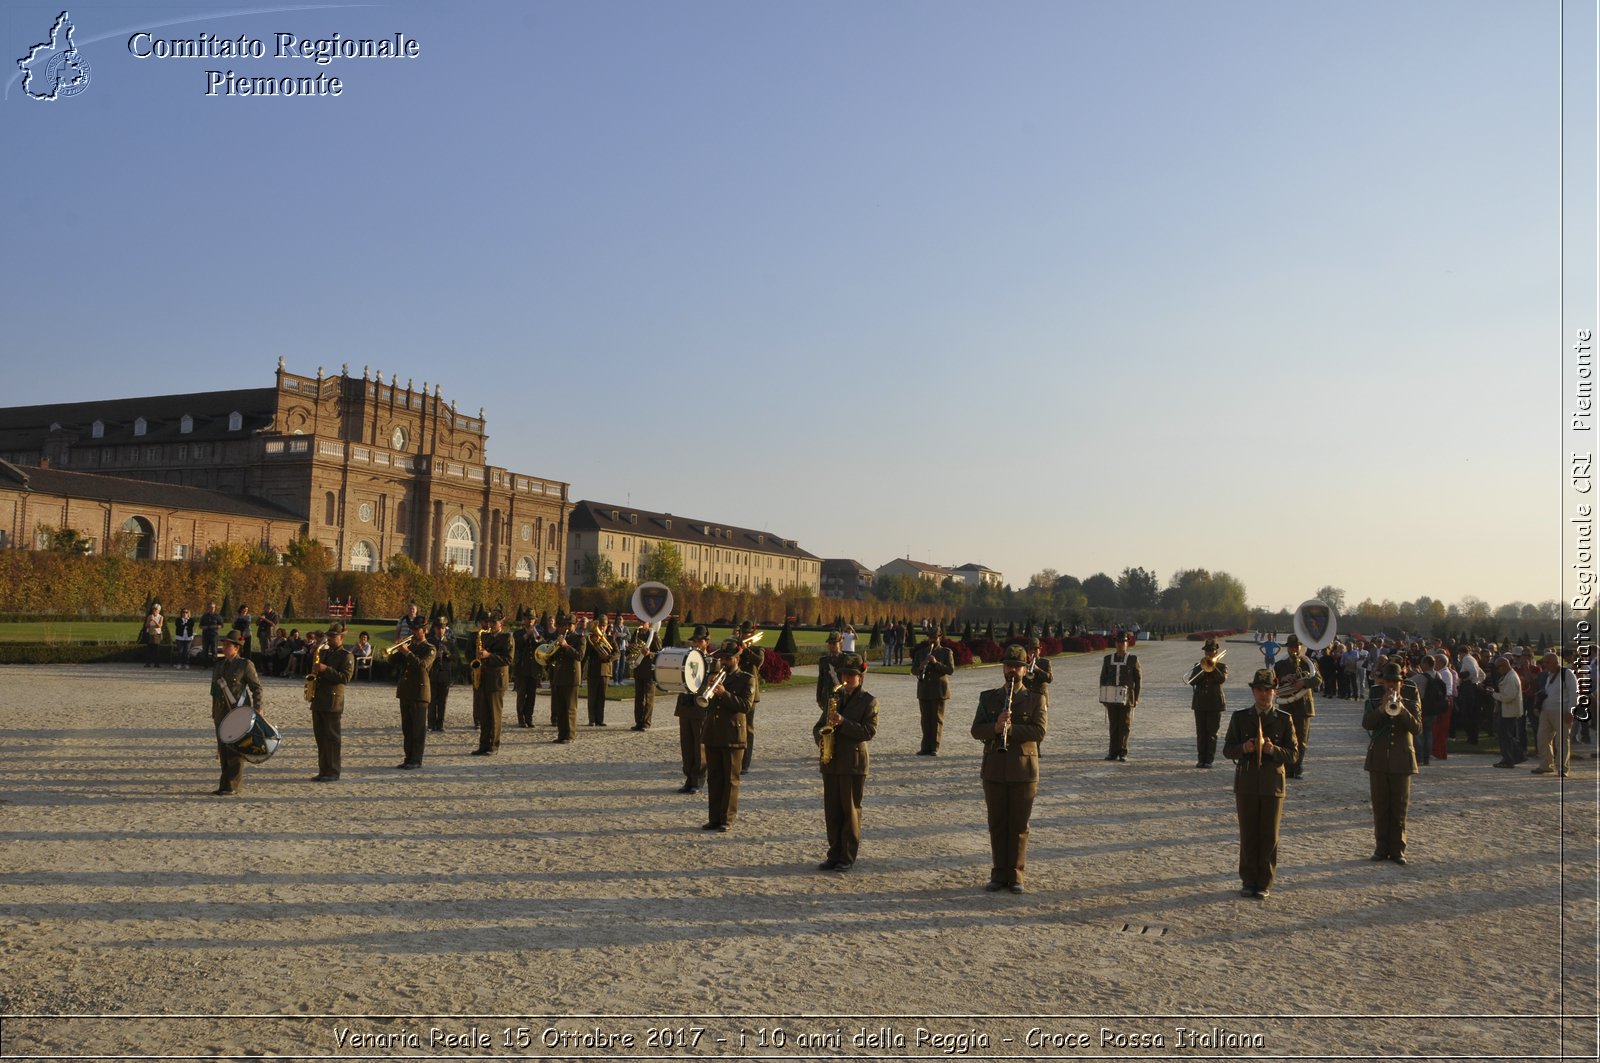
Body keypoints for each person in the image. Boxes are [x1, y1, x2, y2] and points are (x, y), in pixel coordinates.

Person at [971, 644, 1047, 893]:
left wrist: (1011, 729)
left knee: (1018, 825)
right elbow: (976, 730)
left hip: (1023, 770)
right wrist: (995, 728)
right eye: (1008, 666)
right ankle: (998, 874)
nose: (1012, 670)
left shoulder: (1035, 699)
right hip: (994, 768)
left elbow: (1039, 731)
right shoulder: (989, 697)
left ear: (1025, 670)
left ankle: (1016, 876)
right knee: (997, 823)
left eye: (1017, 666)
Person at [1223, 668, 1299, 898]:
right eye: (1259, 690)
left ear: (1275, 692)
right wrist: (1244, 748)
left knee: (1269, 835)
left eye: (1268, 690)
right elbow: (1227, 749)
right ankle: (1248, 880)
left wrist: (1272, 750)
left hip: (1272, 784)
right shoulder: (1240, 718)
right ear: (1253, 692)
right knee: (1248, 834)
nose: (1264, 695)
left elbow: (1294, 754)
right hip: (1246, 782)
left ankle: (1264, 882)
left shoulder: (1284, 720)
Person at [814, 652, 878, 871]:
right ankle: (834, 853)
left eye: (851, 675)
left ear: (860, 677)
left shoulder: (869, 701)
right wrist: (822, 740)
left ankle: (847, 856)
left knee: (850, 811)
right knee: (832, 811)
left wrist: (843, 722)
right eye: (844, 674)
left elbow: (869, 732)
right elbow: (818, 726)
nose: (847, 679)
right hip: (831, 761)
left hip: (853, 763)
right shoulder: (834, 698)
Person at [1363, 661, 1422, 864]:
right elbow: (1367, 724)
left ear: (1401, 683)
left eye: (1395, 682)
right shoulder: (1374, 696)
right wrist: (1381, 709)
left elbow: (1417, 728)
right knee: (1380, 805)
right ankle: (1381, 848)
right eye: (1388, 681)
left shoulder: (1412, 698)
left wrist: (1402, 709)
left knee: (1399, 807)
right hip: (1378, 759)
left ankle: (1398, 850)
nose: (1391, 686)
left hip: (1402, 759)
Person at [701, 639, 754, 832]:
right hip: (714, 733)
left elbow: (745, 706)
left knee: (730, 780)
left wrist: (724, 694)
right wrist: (708, 688)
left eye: (728, 658)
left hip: (733, 735)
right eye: (722, 658)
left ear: (737, 659)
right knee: (714, 778)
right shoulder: (716, 677)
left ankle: (727, 819)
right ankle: (714, 817)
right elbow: (706, 703)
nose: (723, 662)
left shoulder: (747, 679)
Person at [209, 631, 264, 795]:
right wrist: (214, 712)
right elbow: (214, 692)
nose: (224, 648)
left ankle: (233, 785)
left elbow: (256, 688)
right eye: (223, 645)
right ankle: (224, 784)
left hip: (238, 711)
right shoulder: (219, 666)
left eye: (227, 645)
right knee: (223, 749)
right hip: (221, 712)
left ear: (236, 647)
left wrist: (258, 706)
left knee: (235, 749)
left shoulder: (245, 665)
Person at [307, 622, 355, 781]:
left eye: (333, 636)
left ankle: (333, 771)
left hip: (333, 702)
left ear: (341, 637)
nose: (330, 639)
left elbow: (345, 678)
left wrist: (325, 669)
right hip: (319, 700)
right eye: (329, 636)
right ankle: (323, 770)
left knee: (332, 738)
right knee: (320, 737)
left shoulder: (347, 655)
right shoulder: (325, 653)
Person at [1272, 633, 1320, 779]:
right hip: (1286, 705)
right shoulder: (1280, 665)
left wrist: (1303, 682)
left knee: (1301, 740)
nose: (1294, 649)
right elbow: (1272, 683)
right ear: (1287, 648)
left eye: (1296, 647)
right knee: (1284, 738)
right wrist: (1283, 679)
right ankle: (1286, 767)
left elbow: (1318, 679)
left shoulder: (1309, 663)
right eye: (1291, 647)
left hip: (1303, 707)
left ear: (1301, 647)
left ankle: (1297, 768)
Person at [674, 625, 713, 792]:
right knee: (686, 744)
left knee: (699, 746)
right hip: (685, 705)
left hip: (700, 707)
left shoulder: (712, 661)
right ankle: (689, 778)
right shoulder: (686, 658)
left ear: (706, 642)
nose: (697, 643)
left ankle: (698, 779)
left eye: (700, 641)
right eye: (695, 641)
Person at [392, 629, 436, 769]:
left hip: (420, 692)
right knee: (407, 728)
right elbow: (392, 661)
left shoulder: (430, 648)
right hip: (406, 691)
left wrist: (407, 653)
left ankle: (416, 760)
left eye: (417, 630)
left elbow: (422, 665)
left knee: (418, 728)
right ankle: (408, 758)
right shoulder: (410, 646)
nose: (414, 632)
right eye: (413, 630)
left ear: (425, 630)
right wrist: (396, 650)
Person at [471, 611, 512, 755]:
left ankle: (494, 746)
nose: (491, 625)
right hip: (485, 678)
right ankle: (483, 745)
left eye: (494, 622)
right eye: (490, 622)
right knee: (484, 715)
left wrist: (489, 655)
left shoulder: (507, 637)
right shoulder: (485, 636)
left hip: (497, 680)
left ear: (501, 623)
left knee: (495, 715)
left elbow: (508, 659)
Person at [1098, 632, 1141, 762]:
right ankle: (1112, 752)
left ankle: (1122, 751)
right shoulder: (1108, 659)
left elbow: (1138, 680)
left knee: (1125, 725)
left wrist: (1136, 698)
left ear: (1127, 643)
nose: (1120, 644)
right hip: (1111, 697)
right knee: (1113, 725)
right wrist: (1103, 697)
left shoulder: (1133, 659)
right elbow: (1103, 678)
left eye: (1123, 642)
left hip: (1126, 697)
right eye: (1118, 642)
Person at [1533, 653, 1579, 776]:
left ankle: (1563, 768)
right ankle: (1545, 765)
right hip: (1546, 710)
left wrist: (1571, 711)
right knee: (1542, 738)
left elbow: (1574, 693)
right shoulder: (1549, 675)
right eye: (1544, 662)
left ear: (1555, 662)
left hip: (1562, 710)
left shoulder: (1567, 674)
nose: (1544, 664)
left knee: (1562, 740)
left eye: (1547, 662)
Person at [1187, 638, 1228, 767]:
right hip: (1200, 703)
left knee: (1212, 733)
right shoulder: (1198, 666)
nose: (1209, 654)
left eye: (1211, 651)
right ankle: (1201, 759)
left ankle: (1209, 760)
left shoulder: (1222, 666)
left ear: (1216, 652)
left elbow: (1221, 679)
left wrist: (1213, 666)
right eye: (1207, 651)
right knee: (1201, 733)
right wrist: (1203, 669)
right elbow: (1192, 681)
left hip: (1215, 704)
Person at [912, 632, 955, 755]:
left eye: (935, 638)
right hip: (924, 689)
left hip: (939, 690)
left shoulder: (946, 652)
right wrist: (920, 667)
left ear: (939, 638)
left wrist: (936, 663)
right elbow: (913, 670)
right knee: (925, 719)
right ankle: (925, 747)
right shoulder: (921, 653)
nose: (932, 640)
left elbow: (950, 670)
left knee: (936, 719)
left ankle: (934, 747)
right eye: (931, 637)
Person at [544, 613, 584, 743]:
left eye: (570, 624)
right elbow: (554, 658)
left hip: (572, 677)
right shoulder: (560, 638)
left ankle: (570, 735)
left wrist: (566, 646)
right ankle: (561, 734)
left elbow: (579, 656)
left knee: (570, 708)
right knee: (560, 707)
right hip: (559, 676)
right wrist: (549, 656)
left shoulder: (580, 639)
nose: (567, 627)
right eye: (566, 624)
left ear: (575, 625)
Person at [1488, 655, 1525, 768]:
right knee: (1506, 736)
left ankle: (1509, 759)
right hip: (1506, 710)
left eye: (1498, 668)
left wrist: (1493, 694)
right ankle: (1516, 756)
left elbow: (1508, 696)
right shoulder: (1508, 675)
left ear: (1503, 666)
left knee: (1505, 737)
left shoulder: (1511, 677)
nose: (1498, 671)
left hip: (1509, 711)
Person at [737, 620, 765, 772]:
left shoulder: (757, 648)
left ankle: (745, 763)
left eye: (747, 633)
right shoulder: (736, 647)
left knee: (748, 728)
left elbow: (759, 661)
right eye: (743, 633)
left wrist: (745, 649)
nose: (745, 635)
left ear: (751, 634)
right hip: (735, 691)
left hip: (751, 694)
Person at [512, 614, 544, 728]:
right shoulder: (518, 633)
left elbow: (542, 646)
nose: (530, 621)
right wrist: (527, 635)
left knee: (532, 695)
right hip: (521, 668)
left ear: (535, 620)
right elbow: (517, 645)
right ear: (524, 620)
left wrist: (536, 635)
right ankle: (521, 718)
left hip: (534, 669)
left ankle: (529, 718)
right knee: (521, 695)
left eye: (532, 619)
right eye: (528, 619)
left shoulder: (538, 632)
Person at [584, 613, 614, 727]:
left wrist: (608, 657)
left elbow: (617, 652)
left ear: (607, 626)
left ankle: (600, 719)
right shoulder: (592, 638)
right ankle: (592, 719)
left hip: (605, 670)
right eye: (600, 625)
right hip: (593, 670)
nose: (602, 627)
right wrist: (591, 643)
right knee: (592, 696)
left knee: (602, 696)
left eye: (604, 625)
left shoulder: (610, 638)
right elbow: (586, 654)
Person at [426, 617, 454, 732]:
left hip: (445, 675)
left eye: (443, 628)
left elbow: (456, 658)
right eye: (438, 628)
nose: (441, 630)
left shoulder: (450, 642)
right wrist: (434, 656)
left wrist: (447, 653)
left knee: (443, 701)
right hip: (433, 673)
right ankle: (431, 724)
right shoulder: (430, 641)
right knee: (432, 700)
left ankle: (440, 724)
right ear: (435, 629)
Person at [631, 629, 658, 731]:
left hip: (649, 671)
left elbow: (659, 653)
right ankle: (638, 722)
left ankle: (646, 722)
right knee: (638, 698)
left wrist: (649, 653)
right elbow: (631, 649)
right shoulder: (636, 633)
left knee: (648, 698)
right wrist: (630, 648)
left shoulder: (653, 635)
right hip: (638, 670)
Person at [142, 603, 165, 668]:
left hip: (157, 634)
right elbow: (146, 626)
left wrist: (154, 620)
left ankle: (156, 663)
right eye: (153, 609)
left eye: (156, 609)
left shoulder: (161, 617)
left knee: (156, 649)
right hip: (150, 633)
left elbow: (160, 625)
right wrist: (149, 620)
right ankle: (148, 663)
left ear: (159, 610)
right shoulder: (149, 616)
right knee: (149, 649)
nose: (154, 610)